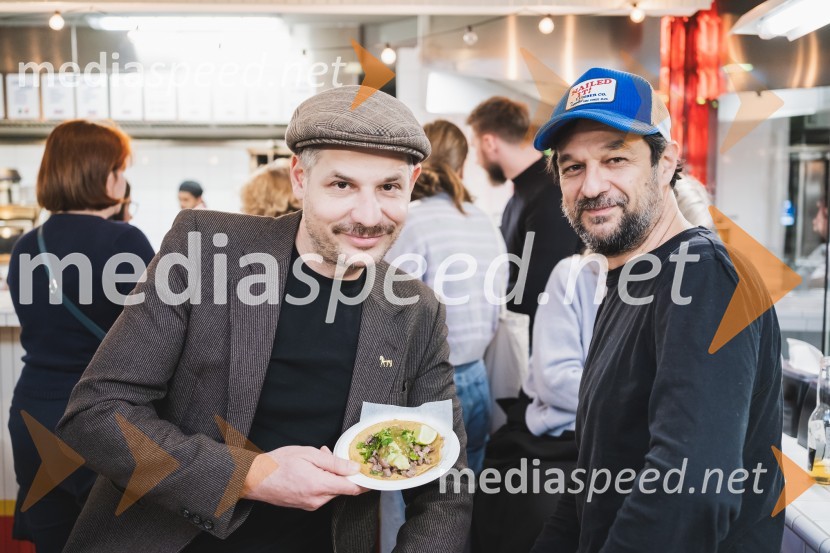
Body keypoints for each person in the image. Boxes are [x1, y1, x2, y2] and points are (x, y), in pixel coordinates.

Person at [55, 86, 472, 553]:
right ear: (299, 177)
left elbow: (445, 483)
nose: (368, 215)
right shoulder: (205, 248)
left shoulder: (417, 310)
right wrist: (251, 476)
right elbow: (96, 414)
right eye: (342, 185)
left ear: (413, 182)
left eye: (389, 187)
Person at [529, 67, 784, 552]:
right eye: (573, 167)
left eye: (615, 158)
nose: (591, 186)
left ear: (666, 163)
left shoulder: (704, 276)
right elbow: (591, 479)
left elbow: (689, 491)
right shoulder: (626, 281)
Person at [6, 119, 155, 553]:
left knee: (54, 541)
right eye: (121, 168)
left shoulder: (26, 245)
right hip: (101, 418)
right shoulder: (125, 241)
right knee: (115, 541)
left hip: (34, 415)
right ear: (106, 174)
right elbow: (156, 334)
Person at [386, 119, 508, 474]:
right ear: (461, 165)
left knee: (409, 492)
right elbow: (500, 294)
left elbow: (392, 306)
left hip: (427, 384)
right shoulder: (483, 219)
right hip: (477, 377)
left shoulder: (411, 221)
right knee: (465, 497)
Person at [467, 97, 581, 336]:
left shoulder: (550, 194)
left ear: (489, 142)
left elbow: (539, 291)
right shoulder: (521, 196)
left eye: (475, 147)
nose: (477, 160)